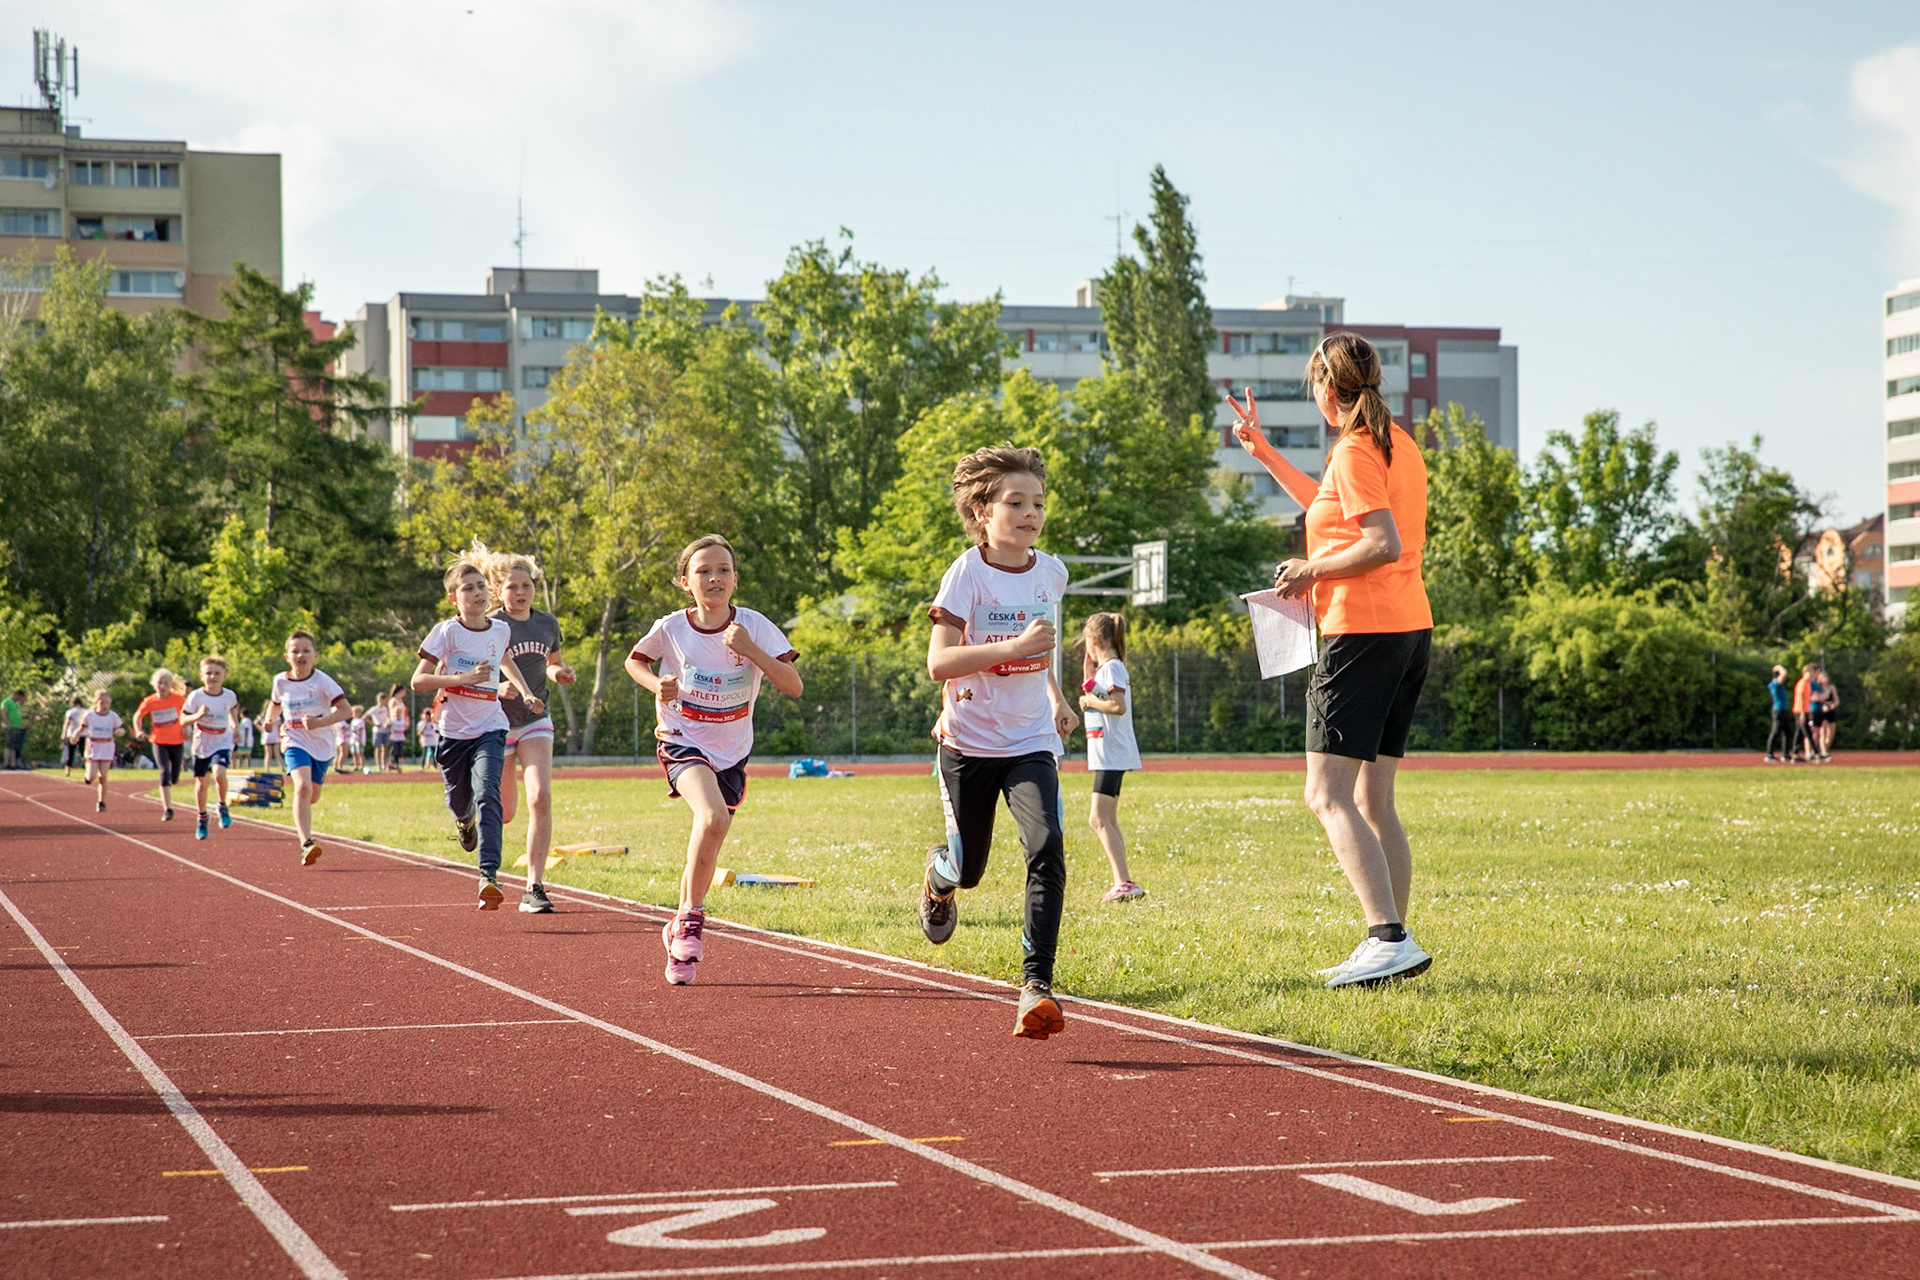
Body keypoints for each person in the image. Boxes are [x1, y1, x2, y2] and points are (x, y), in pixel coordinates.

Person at [1228, 330, 1435, 990]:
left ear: (1325, 387)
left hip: (1364, 634)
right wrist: (1265, 452)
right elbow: (1333, 509)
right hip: (1408, 629)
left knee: (1326, 794)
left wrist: (1310, 570)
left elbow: (1380, 543)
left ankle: (1388, 938)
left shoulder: (1353, 449)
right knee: (1374, 798)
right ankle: (1391, 942)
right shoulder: (1394, 442)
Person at [920, 446, 1077, 1038]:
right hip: (968, 742)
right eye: (1016, 502)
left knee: (1047, 845)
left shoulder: (1052, 573)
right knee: (968, 869)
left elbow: (1043, 646)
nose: (1030, 513)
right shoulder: (967, 573)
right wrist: (1012, 649)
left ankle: (1036, 986)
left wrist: (1056, 697)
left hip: (1030, 740)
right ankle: (938, 878)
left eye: (1038, 502)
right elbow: (939, 663)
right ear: (982, 511)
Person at [625, 535, 802, 984]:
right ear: (686, 582)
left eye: (723, 570)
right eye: (703, 571)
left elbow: (794, 685)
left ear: (735, 579)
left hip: (732, 751)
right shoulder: (672, 627)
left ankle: (679, 929)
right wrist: (656, 685)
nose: (714, 578)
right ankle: (692, 921)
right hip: (681, 738)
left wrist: (752, 651)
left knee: (709, 835)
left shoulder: (755, 626)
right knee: (711, 818)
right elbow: (635, 662)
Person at [413, 552, 545, 910]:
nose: (477, 593)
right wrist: (462, 679)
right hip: (453, 731)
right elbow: (418, 680)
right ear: (453, 598)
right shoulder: (446, 632)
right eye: (468, 588)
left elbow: (506, 660)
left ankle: (489, 874)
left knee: (488, 792)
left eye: (481, 587)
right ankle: (463, 821)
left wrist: (526, 692)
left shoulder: (500, 629)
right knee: (460, 801)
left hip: (490, 725)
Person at [487, 548, 576, 915]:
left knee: (540, 796)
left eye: (526, 585)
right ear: (499, 590)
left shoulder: (547, 624)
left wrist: (561, 673)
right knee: (505, 811)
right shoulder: (490, 625)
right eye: (512, 587)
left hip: (536, 719)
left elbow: (551, 663)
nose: (520, 592)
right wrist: (496, 688)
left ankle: (534, 886)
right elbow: (474, 671)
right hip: (496, 722)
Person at [266, 630, 352, 865]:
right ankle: (306, 843)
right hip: (294, 739)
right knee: (302, 788)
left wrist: (319, 722)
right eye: (295, 651)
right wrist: (269, 720)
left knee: (312, 795)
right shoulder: (280, 681)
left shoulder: (323, 681)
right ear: (287, 657)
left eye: (306, 651)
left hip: (322, 743)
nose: (300, 655)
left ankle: (303, 810)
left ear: (316, 655)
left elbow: (346, 711)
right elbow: (275, 704)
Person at [1079, 612, 1144, 901]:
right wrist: (1088, 678)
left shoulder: (1114, 668)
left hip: (1112, 752)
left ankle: (1124, 882)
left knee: (1098, 819)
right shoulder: (1108, 669)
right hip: (1109, 753)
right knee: (1108, 819)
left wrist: (1089, 701)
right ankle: (1124, 881)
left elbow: (1117, 706)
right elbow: (1100, 693)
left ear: (1093, 639)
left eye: (1086, 642)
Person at [180, 655, 240, 841]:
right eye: (208, 673)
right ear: (201, 676)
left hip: (222, 741)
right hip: (202, 744)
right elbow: (183, 720)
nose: (212, 677)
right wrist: (197, 716)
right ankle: (202, 817)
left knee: (219, 774)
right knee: (201, 784)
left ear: (224, 676)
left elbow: (233, 708)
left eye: (217, 673)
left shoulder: (229, 695)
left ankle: (222, 806)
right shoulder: (196, 696)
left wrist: (235, 725)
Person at [131, 669, 187, 821]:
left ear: (171, 685)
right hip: (159, 741)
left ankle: (173, 780)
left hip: (177, 741)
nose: (162, 686)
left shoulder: (178, 699)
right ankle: (167, 809)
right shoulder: (150, 701)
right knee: (164, 772)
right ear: (154, 684)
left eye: (166, 683)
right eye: (159, 683)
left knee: (174, 777)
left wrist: (187, 729)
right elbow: (138, 716)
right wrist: (138, 730)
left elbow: (187, 714)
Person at [80, 689, 124, 811]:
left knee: (103, 775)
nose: (104, 705)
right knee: (92, 776)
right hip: (93, 746)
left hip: (107, 746)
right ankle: (87, 777)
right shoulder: (89, 715)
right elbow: (82, 728)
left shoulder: (113, 716)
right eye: (102, 703)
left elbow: (121, 729)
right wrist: (75, 736)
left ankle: (101, 802)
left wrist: (119, 732)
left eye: (107, 703)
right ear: (96, 702)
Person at [1764, 664, 1793, 763]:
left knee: (1788, 732)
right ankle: (1769, 754)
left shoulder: (1777, 684)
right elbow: (1784, 674)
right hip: (1778, 710)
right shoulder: (1775, 683)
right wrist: (1779, 667)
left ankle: (1785, 754)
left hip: (1783, 709)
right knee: (1775, 732)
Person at [1791, 663, 1816, 763]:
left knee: (1799, 733)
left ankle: (1795, 754)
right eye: (1810, 673)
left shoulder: (1807, 684)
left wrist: (1807, 712)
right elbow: (1801, 699)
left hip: (1804, 711)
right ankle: (1816, 753)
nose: (1812, 675)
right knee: (1807, 732)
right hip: (1800, 711)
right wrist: (1802, 713)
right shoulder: (1802, 683)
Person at [1813, 666, 1838, 762]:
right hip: (1822, 711)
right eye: (1823, 677)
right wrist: (1824, 705)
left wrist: (1833, 705)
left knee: (1831, 733)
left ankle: (1825, 749)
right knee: (1822, 731)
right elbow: (1817, 698)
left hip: (1831, 711)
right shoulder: (1818, 688)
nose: (1825, 679)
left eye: (1826, 677)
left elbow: (1836, 699)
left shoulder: (1831, 688)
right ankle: (1823, 751)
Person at [60, 695, 86, 778]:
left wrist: (63, 733)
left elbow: (67, 723)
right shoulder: (85, 711)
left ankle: (67, 770)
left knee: (70, 753)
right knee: (83, 752)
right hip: (83, 734)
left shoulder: (70, 712)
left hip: (72, 734)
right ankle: (87, 768)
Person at [386, 687, 409, 771]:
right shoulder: (393, 700)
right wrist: (390, 721)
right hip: (395, 724)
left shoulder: (400, 700)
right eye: (404, 691)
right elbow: (391, 712)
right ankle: (391, 763)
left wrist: (406, 721)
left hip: (401, 725)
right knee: (395, 748)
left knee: (399, 748)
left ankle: (396, 764)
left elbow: (405, 713)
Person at [1, 688, 24, 769]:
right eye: (19, 697)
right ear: (16, 695)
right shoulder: (7, 702)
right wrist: (8, 724)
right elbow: (3, 713)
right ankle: (6, 763)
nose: (19, 699)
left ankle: (12, 763)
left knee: (14, 747)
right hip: (10, 727)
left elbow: (16, 714)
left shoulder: (16, 704)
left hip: (17, 727)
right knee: (9, 745)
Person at [369, 691, 391, 773]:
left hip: (385, 730)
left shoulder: (386, 709)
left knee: (385, 748)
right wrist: (374, 724)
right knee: (377, 747)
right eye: (385, 700)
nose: (386, 702)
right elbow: (365, 717)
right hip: (377, 731)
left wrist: (388, 723)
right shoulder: (374, 708)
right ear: (380, 699)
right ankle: (378, 765)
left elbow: (388, 717)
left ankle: (384, 765)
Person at [260, 700, 281, 773]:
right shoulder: (276, 716)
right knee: (277, 753)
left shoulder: (263, 717)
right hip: (275, 735)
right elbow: (279, 725)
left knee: (268, 754)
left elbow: (257, 722)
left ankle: (267, 769)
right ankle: (282, 767)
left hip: (267, 735)